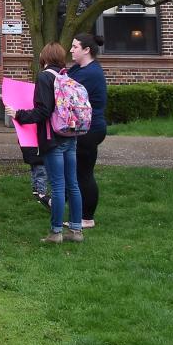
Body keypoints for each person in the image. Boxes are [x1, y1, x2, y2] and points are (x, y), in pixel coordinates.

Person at [7, 42, 84, 244]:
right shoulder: (66, 76)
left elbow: (43, 111)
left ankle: (56, 232)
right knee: (73, 184)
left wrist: (19, 114)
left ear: (46, 57)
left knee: (57, 186)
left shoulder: (44, 77)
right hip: (70, 135)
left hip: (53, 138)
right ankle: (76, 231)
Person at [68, 32, 107, 228]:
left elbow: (63, 90)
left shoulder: (89, 74)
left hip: (90, 130)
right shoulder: (78, 69)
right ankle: (69, 205)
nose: (71, 50)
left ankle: (87, 218)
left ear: (86, 50)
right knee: (76, 172)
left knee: (83, 173)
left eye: (75, 47)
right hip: (84, 129)